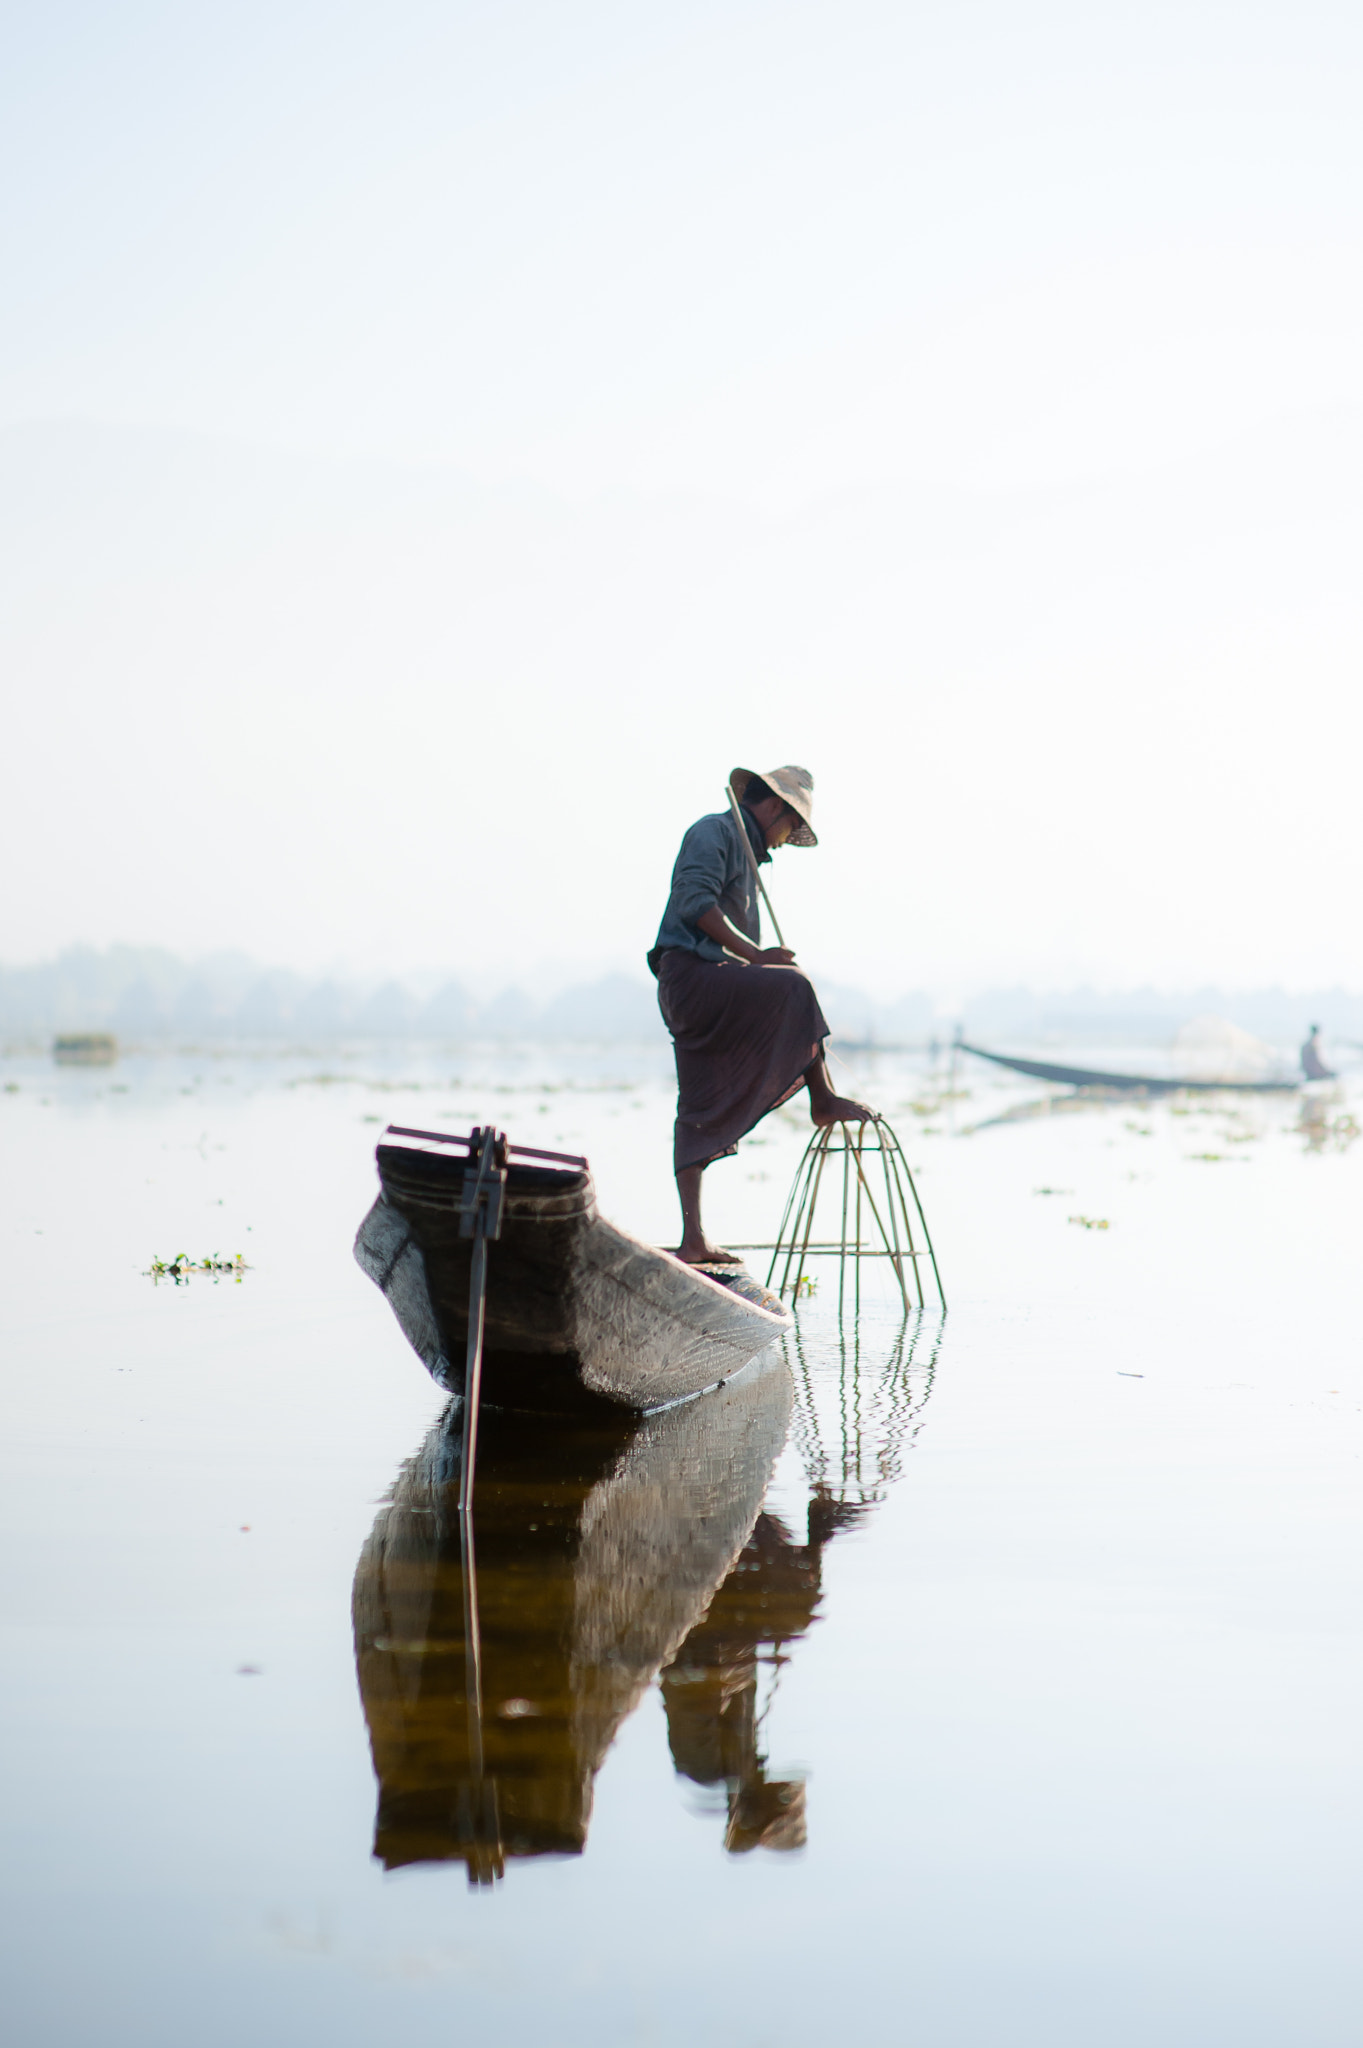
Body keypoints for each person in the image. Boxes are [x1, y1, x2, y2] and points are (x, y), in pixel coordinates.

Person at [649, 764, 872, 1265]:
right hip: (693, 979)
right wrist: (756, 956)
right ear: (775, 807)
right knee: (793, 986)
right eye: (789, 828)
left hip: (710, 982)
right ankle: (823, 1097)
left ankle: (694, 1240)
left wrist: (752, 960)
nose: (784, 841)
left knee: (699, 1103)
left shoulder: (749, 850)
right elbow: (694, 902)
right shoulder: (715, 832)